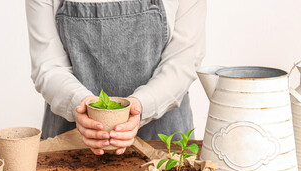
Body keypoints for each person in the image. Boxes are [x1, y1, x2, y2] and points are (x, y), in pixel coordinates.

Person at [26, 0, 206, 155]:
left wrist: (142, 106)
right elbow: (47, 65)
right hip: (71, 141)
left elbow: (184, 61)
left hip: (162, 142)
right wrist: (79, 104)